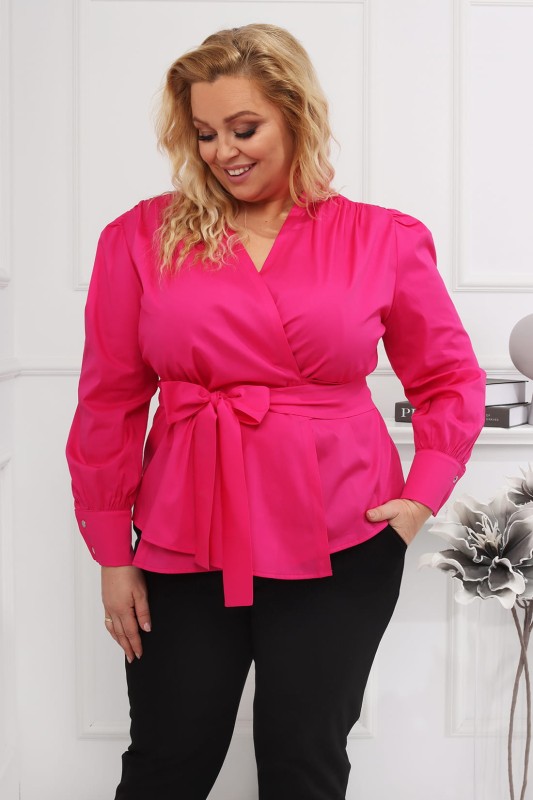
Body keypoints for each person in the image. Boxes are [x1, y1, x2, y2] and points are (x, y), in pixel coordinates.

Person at [66, 23, 486, 800]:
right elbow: (109, 399)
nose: (222, 152)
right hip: (183, 536)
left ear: (295, 115)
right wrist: (112, 552)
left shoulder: (381, 238)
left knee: (304, 763)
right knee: (166, 762)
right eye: (204, 134)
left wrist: (418, 500)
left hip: (341, 536)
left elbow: (448, 378)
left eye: (243, 128)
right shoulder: (139, 238)